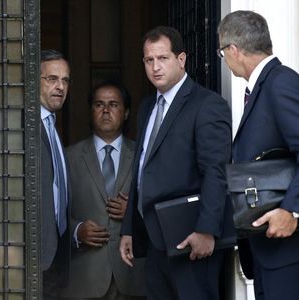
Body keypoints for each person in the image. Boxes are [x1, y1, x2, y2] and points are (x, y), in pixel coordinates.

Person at [119, 26, 232, 300]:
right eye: (149, 60)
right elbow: (141, 169)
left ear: (181, 60)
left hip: (192, 238)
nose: (155, 67)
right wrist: (129, 229)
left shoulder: (207, 105)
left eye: (163, 58)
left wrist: (207, 230)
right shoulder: (147, 107)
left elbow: (216, 173)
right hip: (154, 239)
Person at [218, 10, 299, 299]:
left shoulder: (280, 83)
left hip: (288, 253)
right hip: (267, 250)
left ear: (233, 50)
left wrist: (292, 211)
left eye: (222, 52)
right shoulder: (263, 87)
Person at [61, 81, 146, 299]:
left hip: (132, 274)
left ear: (126, 112)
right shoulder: (68, 157)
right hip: (85, 277)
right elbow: (52, 211)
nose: (106, 110)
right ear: (90, 111)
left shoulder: (143, 155)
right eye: (99, 104)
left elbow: (160, 203)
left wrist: (134, 212)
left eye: (113, 104)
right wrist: (77, 230)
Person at [40, 49, 71, 298]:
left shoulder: (52, 126)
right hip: (32, 253)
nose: (60, 86)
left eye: (65, 80)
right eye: (51, 79)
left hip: (58, 250)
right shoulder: (24, 125)